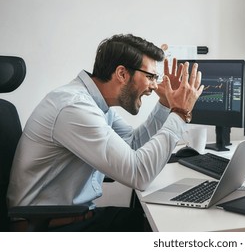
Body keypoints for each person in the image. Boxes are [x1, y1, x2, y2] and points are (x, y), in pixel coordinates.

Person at [7, 34, 204, 231]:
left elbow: (133, 144)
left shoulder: (94, 103)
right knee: (165, 230)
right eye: (150, 77)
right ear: (122, 74)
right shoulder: (74, 108)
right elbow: (139, 174)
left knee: (157, 223)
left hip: (72, 217)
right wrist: (179, 113)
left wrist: (165, 104)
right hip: (47, 229)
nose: (154, 85)